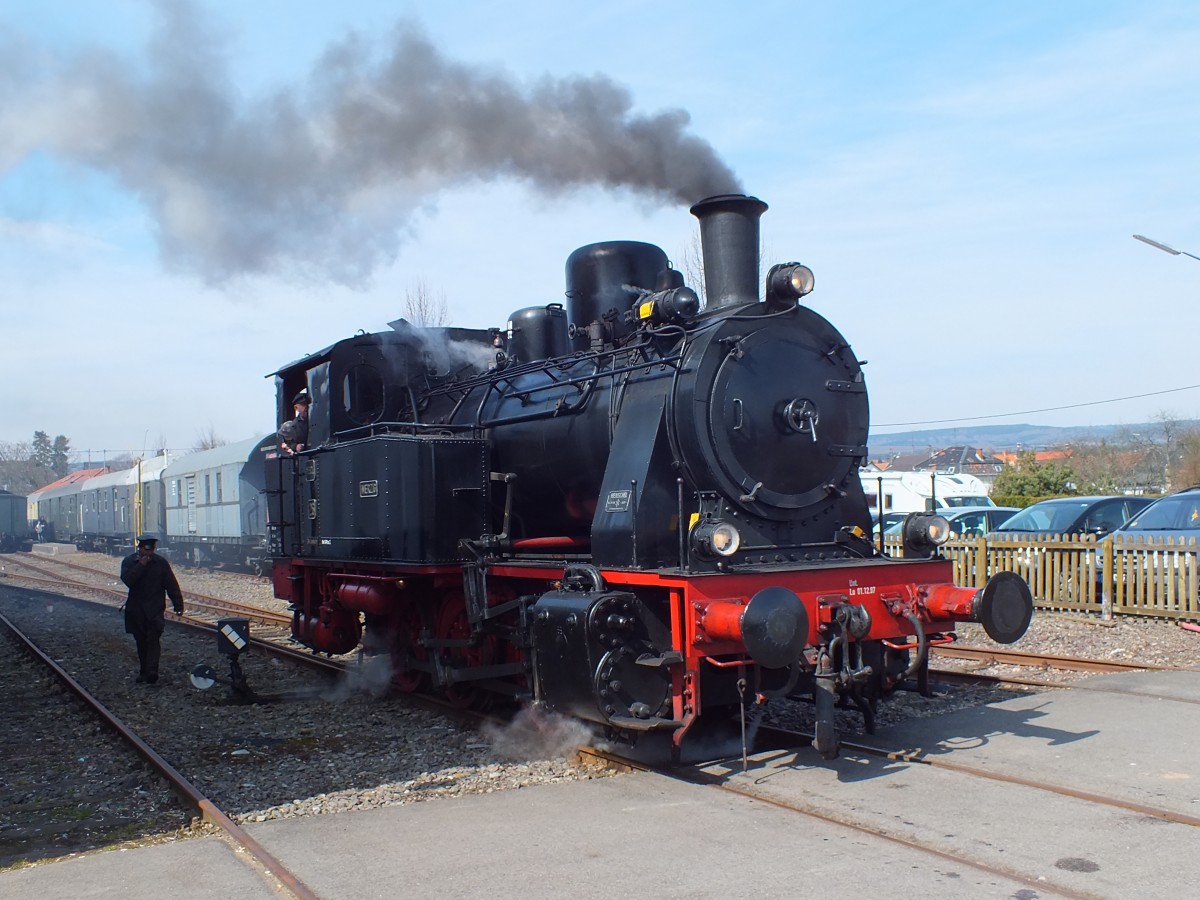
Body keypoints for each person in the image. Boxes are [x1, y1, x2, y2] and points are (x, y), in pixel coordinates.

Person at [120, 533, 184, 685]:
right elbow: (128, 580)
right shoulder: (129, 562)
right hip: (136, 610)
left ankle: (152, 671)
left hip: (154, 609)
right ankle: (144, 671)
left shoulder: (160, 563)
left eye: (152, 549)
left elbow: (171, 584)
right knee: (141, 642)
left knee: (153, 640)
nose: (149, 552)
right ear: (140, 548)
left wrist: (178, 604)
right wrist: (140, 566)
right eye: (147, 549)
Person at [277, 391, 311, 455]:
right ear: (296, 408)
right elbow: (286, 444)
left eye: (308, 404)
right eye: (303, 404)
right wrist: (296, 446)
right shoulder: (293, 426)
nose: (306, 407)